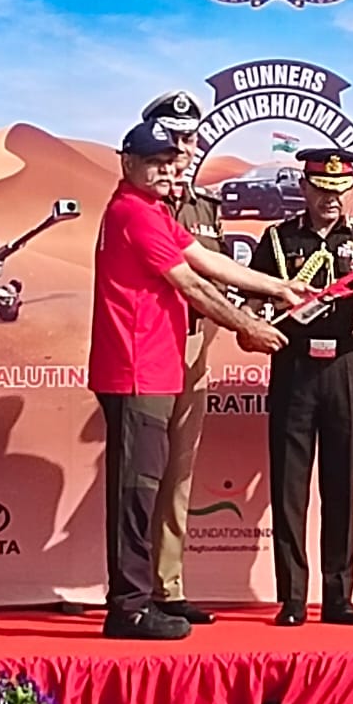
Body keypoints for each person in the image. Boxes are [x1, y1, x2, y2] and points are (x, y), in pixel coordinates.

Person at [88, 120, 293, 641]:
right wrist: (247, 326)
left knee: (147, 487)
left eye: (169, 161)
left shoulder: (153, 210)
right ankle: (129, 608)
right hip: (136, 369)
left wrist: (278, 287)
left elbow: (207, 260)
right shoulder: (133, 213)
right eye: (152, 162)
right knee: (136, 492)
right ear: (127, 163)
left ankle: (140, 600)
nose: (165, 170)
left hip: (155, 367)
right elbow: (191, 286)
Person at [248, 148, 353, 629]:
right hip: (295, 365)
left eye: (339, 190)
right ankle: (292, 597)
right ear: (304, 188)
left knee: (341, 484)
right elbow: (255, 298)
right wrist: (254, 320)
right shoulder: (279, 238)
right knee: (290, 486)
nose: (331, 199)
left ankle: (339, 597)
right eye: (322, 189)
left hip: (346, 365)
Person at [139, 90, 224, 627]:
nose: (184, 149)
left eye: (190, 139)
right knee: (141, 477)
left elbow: (218, 277)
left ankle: (168, 585)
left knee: (179, 474)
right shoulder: (141, 202)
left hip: (195, 346)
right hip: (150, 348)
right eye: (173, 138)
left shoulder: (204, 208)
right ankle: (131, 588)